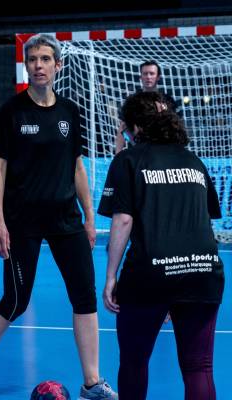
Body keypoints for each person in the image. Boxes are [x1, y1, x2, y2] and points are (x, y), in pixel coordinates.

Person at [0, 33, 118, 400]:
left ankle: (92, 383)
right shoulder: (12, 112)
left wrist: (89, 216)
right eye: (32, 60)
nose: (39, 65)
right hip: (22, 221)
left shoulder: (70, 112)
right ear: (26, 66)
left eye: (45, 59)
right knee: (15, 301)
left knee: (85, 298)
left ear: (58, 65)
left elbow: (77, 166)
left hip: (66, 220)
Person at [98, 91, 224, 400]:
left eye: (127, 129)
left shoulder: (128, 159)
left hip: (150, 273)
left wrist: (111, 275)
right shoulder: (194, 161)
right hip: (203, 271)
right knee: (199, 367)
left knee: (134, 362)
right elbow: (205, 219)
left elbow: (123, 220)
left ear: (136, 128)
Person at [115, 60, 179, 154]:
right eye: (145, 74)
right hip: (139, 151)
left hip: (162, 150)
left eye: (152, 74)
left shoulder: (167, 100)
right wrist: (118, 152)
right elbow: (123, 128)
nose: (148, 77)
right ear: (141, 77)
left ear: (158, 77)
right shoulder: (132, 101)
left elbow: (174, 127)